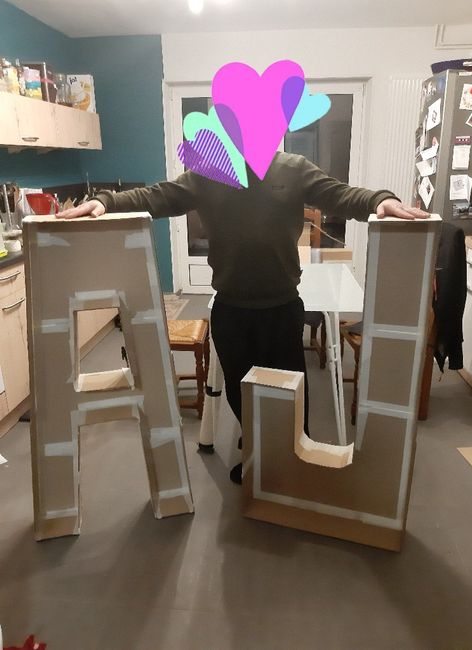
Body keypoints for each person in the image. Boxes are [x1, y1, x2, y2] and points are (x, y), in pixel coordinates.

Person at [57, 152, 430, 483]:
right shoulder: (208, 172)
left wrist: (380, 200)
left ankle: (293, 459)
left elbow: (340, 195)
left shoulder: (294, 168)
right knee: (241, 391)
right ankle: (256, 450)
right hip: (231, 309)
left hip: (282, 308)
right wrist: (105, 202)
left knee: (291, 391)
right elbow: (158, 196)